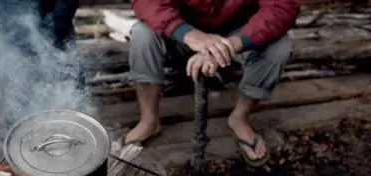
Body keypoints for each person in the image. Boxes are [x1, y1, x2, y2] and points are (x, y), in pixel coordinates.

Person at [127, 0, 300, 166]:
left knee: (279, 47)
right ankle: (149, 120)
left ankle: (239, 118)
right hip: (181, 33)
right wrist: (188, 34)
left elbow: (282, 6)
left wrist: (229, 45)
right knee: (142, 34)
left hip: (238, 35)